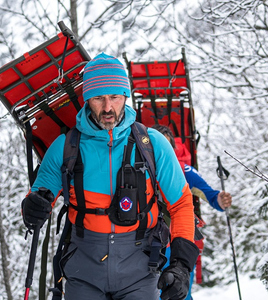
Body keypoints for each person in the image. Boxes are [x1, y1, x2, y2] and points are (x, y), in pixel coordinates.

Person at [21, 53, 199, 300]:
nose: (107, 108)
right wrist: (32, 207)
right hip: (83, 271)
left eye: (114, 97)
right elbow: (38, 200)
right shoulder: (65, 147)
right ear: (86, 100)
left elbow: (181, 204)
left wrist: (181, 264)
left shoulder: (152, 144)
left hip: (140, 269)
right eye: (98, 98)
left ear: (125, 96)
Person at [153, 125, 233, 300]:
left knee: (179, 291)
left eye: (166, 146)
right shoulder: (138, 170)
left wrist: (220, 199)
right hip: (149, 242)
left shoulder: (183, 171)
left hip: (179, 241)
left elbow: (209, 194)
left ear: (173, 149)